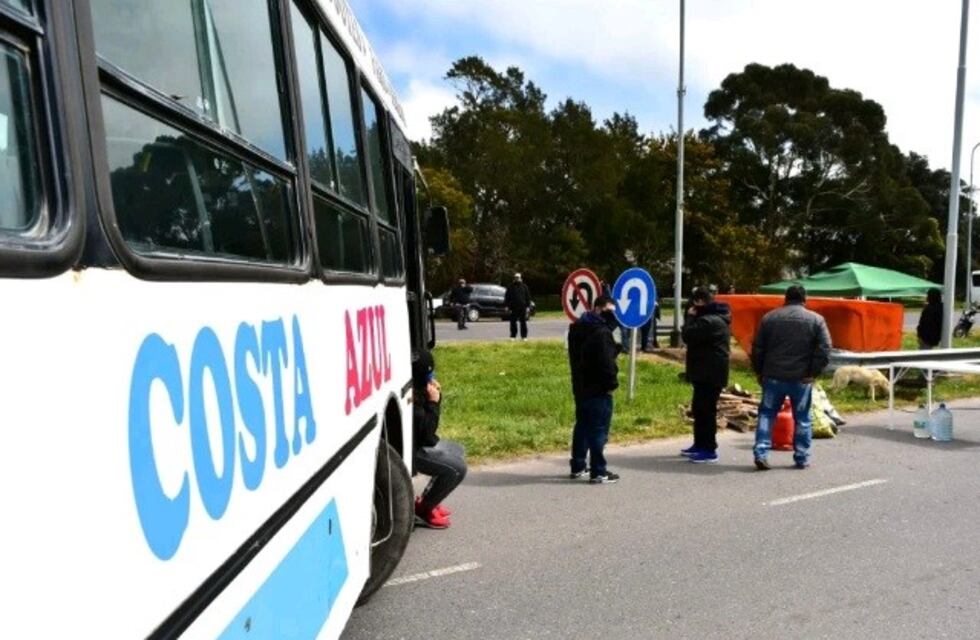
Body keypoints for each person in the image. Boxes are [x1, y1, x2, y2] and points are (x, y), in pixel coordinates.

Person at [751, 285, 832, 470]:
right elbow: (825, 349)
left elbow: (757, 348)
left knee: (767, 414)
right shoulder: (816, 320)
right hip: (801, 378)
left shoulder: (769, 318)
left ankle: (761, 453)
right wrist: (813, 372)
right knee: (802, 418)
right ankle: (802, 457)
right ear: (805, 299)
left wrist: (759, 371)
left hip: (772, 376)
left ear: (785, 298)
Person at [567, 295, 621, 484]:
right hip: (598, 388)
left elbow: (585, 357)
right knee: (599, 429)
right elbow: (605, 363)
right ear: (598, 309)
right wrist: (611, 385)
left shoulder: (576, 328)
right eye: (610, 311)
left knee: (582, 426)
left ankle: (578, 465)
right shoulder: (602, 332)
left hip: (580, 386)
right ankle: (599, 471)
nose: (612, 315)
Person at [412, 349, 468, 528]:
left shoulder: (418, 389)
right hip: (414, 451)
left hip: (419, 442)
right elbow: (427, 435)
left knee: (457, 450)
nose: (432, 377)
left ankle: (429, 500)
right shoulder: (413, 400)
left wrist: (434, 397)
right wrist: (434, 402)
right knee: (457, 469)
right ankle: (424, 510)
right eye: (429, 374)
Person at [680, 288, 732, 463]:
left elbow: (687, 335)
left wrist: (689, 317)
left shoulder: (709, 321)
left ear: (701, 302)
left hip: (710, 374)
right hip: (705, 372)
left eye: (695, 302)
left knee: (706, 411)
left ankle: (709, 449)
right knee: (699, 409)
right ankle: (699, 443)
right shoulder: (711, 319)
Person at [505, 272, 533, 340]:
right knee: (513, 322)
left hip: (522, 307)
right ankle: (513, 336)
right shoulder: (510, 287)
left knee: (523, 322)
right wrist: (507, 306)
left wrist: (528, 307)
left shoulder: (524, 287)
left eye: (518, 278)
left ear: (520, 278)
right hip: (513, 307)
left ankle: (524, 336)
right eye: (516, 278)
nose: (517, 279)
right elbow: (507, 297)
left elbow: (528, 297)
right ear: (514, 278)